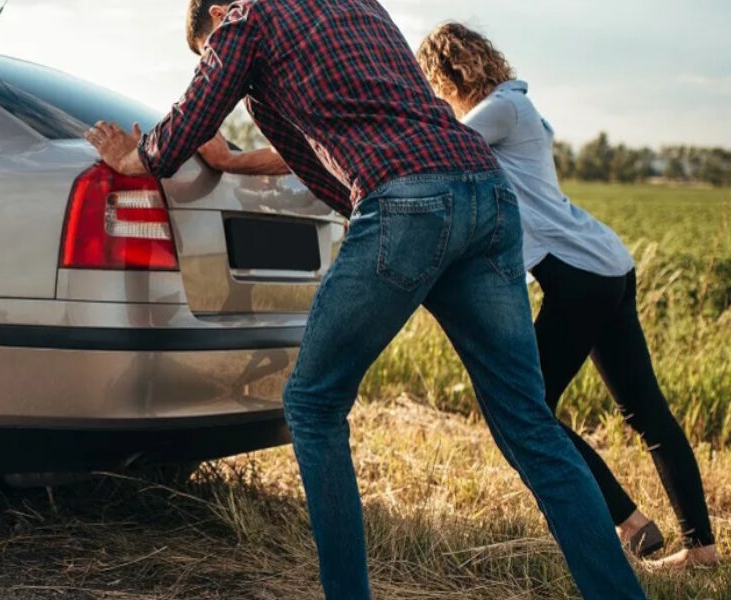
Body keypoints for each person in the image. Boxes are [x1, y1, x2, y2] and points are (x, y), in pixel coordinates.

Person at [85, 1, 647, 598]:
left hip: (410, 202)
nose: (215, 60)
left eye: (207, 50)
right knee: (530, 423)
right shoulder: (357, 5)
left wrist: (135, 156)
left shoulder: (247, 17)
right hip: (487, 194)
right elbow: (335, 146)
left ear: (217, 14)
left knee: (312, 403)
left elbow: (192, 117)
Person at [417, 22, 721, 569]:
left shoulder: (502, 110)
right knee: (644, 412)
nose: (437, 94)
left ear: (449, 73)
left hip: (579, 275)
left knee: (524, 406)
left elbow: (441, 144)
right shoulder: (514, 106)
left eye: (434, 83)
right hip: (602, 267)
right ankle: (694, 547)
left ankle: (630, 523)